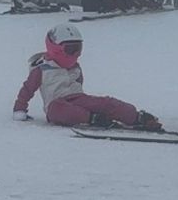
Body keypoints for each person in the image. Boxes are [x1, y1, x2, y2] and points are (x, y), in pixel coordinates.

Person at [13, 23, 162, 130]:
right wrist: (20, 109)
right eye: (71, 49)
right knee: (58, 110)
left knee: (105, 102)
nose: (76, 54)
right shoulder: (42, 70)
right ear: (56, 48)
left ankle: (136, 117)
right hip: (57, 105)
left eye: (78, 49)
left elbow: (79, 84)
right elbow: (27, 90)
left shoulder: (75, 67)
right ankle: (92, 118)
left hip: (78, 99)